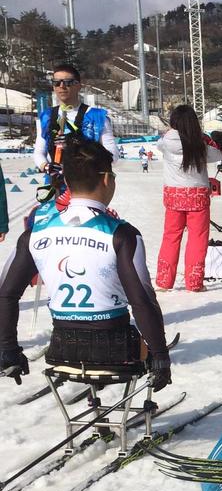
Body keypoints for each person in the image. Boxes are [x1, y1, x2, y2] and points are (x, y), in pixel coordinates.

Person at [0, 135, 171, 390]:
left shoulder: (34, 234)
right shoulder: (122, 234)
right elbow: (142, 300)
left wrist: (8, 349)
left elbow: (6, 294)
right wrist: (161, 355)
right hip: (116, 350)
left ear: (66, 181)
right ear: (106, 179)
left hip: (61, 348)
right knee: (139, 338)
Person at [154, 104, 221, 292]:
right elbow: (217, 155)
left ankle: (164, 280)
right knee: (197, 238)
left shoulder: (165, 142)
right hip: (197, 195)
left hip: (174, 195)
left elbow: (159, 144)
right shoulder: (200, 144)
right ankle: (194, 282)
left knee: (171, 237)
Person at [34, 61, 118, 206]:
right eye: (57, 82)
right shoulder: (46, 117)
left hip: (88, 187)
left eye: (68, 82)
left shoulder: (97, 117)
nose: (62, 86)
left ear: (79, 85)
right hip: (56, 185)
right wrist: (46, 166)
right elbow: (38, 152)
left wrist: (78, 146)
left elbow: (113, 155)